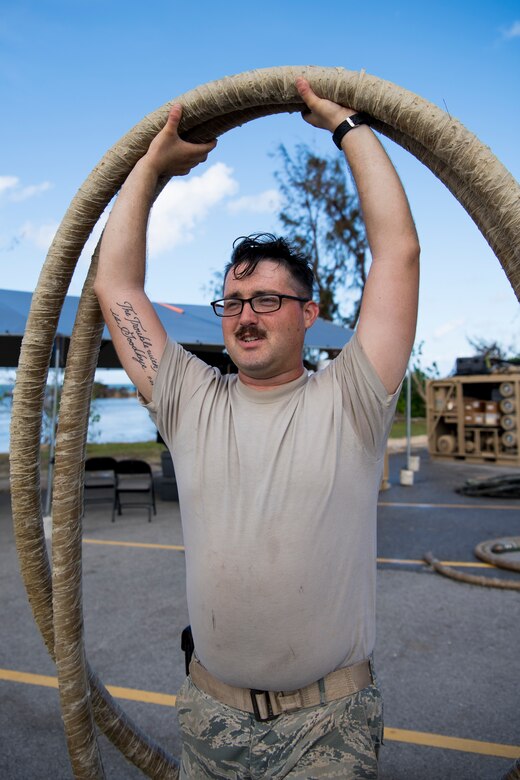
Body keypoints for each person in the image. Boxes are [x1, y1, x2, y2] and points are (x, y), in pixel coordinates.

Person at [94, 77, 420, 779]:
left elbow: (397, 253)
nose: (245, 315)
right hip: (210, 718)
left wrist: (348, 128)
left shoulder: (352, 399)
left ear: (308, 313)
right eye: (233, 301)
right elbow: (116, 288)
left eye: (268, 299)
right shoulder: (189, 399)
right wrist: (150, 171)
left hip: (326, 727)